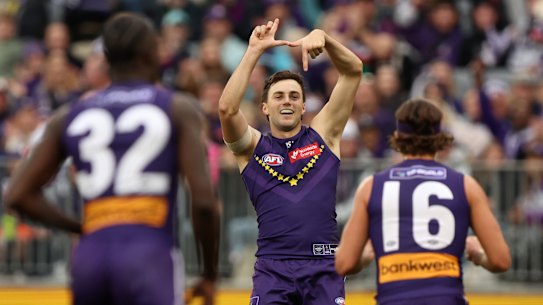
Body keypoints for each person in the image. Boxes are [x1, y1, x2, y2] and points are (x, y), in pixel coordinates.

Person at [4, 13, 220, 305]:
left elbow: (17, 194)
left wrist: (80, 227)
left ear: (106, 57)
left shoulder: (71, 115)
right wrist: (209, 274)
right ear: (149, 53)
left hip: (91, 258)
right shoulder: (177, 109)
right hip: (149, 254)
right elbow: (205, 202)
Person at [218, 18, 362, 305]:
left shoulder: (325, 136)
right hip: (273, 268)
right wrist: (254, 51)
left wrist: (325, 37)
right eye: (279, 96)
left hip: (323, 264)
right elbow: (226, 108)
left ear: (304, 106)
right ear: (265, 107)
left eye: (295, 96)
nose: (287, 101)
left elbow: (354, 71)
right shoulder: (252, 148)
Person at [335, 99, 511, 305]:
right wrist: (478, 255)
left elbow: (344, 263)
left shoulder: (371, 187)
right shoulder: (465, 185)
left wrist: (363, 257)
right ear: (439, 137)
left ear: (398, 137)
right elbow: (501, 260)